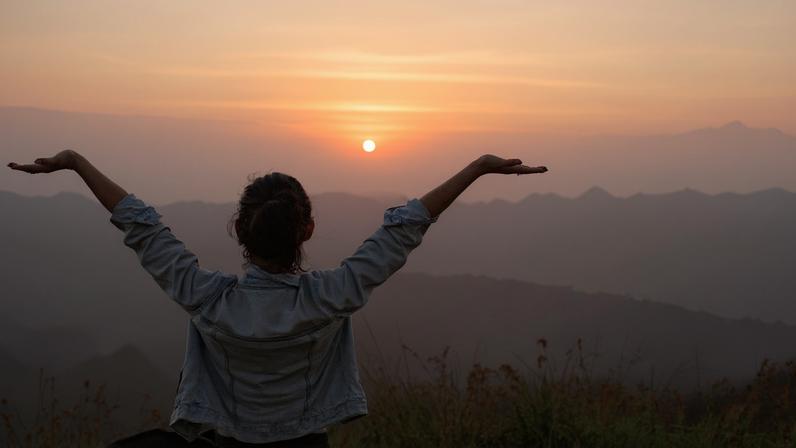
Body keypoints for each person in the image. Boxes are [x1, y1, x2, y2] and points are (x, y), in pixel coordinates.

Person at [8, 150, 547, 447]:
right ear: (307, 230)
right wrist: (476, 169)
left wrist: (78, 163)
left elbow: (143, 229)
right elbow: (404, 229)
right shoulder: (333, 296)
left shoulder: (206, 298)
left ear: (238, 230)